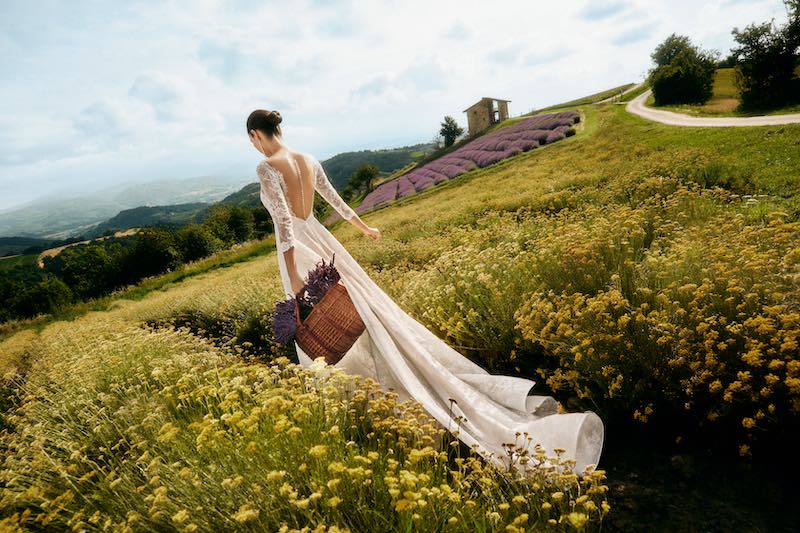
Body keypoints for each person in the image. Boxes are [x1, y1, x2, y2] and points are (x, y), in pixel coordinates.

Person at [247, 108, 604, 477]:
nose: (255, 147)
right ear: (279, 128)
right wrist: (364, 227)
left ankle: (363, 399)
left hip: (302, 250)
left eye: (253, 141)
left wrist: (292, 274)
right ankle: (379, 383)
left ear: (257, 134)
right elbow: (334, 200)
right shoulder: (307, 159)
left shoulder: (267, 167)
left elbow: (286, 222)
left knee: (324, 325)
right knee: (363, 315)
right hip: (325, 239)